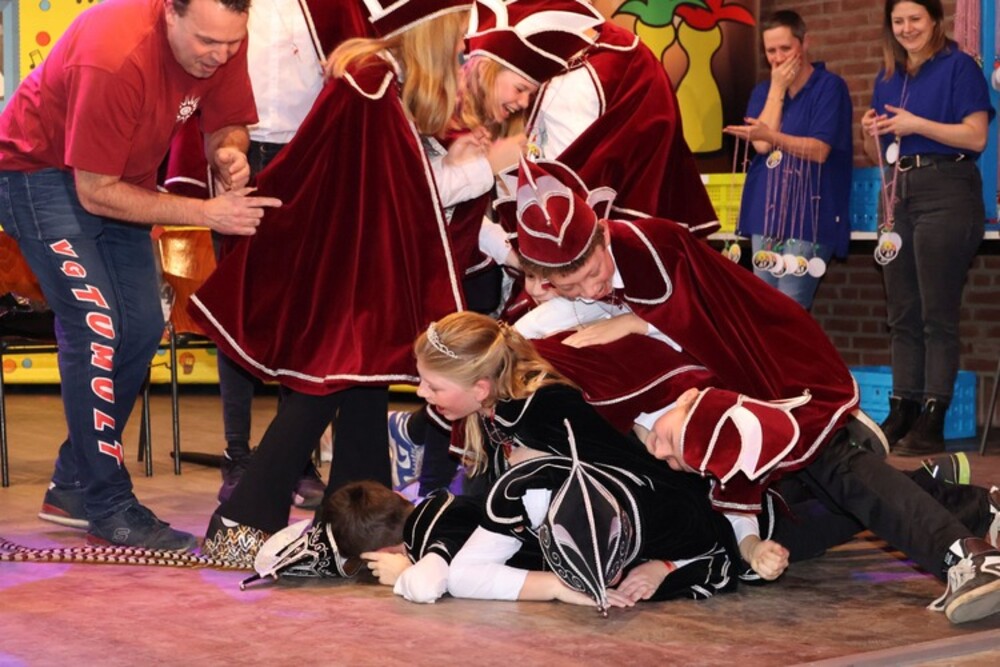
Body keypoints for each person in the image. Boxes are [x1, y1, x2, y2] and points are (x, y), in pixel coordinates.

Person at [507, 157, 1000, 624]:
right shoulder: (581, 282)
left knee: (833, 467)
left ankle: (965, 556)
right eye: (571, 287)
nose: (590, 291)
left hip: (773, 366)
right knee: (819, 485)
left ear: (600, 235)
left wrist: (637, 322)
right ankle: (976, 507)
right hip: (733, 385)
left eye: (592, 275)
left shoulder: (648, 245)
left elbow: (703, 317)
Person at [190, 0, 477, 566]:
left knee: (361, 389)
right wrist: (478, 168)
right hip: (349, 270)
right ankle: (240, 528)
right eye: (457, 35)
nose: (462, 48)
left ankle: (357, 532)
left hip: (351, 264)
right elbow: (405, 192)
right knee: (323, 391)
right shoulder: (371, 85)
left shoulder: (375, 79)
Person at [0, 0, 279, 549]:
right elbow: (94, 193)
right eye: (207, 42)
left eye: (232, 43)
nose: (220, 54)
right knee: (97, 325)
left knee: (144, 326)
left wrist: (227, 153)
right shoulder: (115, 53)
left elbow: (226, 122)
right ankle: (107, 505)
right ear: (169, 12)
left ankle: (73, 484)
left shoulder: (221, 35)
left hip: (122, 180)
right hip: (40, 174)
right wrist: (207, 213)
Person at [413, 312, 740, 607]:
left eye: (434, 387)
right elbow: (493, 501)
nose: (421, 393)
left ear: (481, 388)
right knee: (439, 515)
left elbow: (632, 474)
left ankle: (667, 564)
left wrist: (548, 466)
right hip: (558, 515)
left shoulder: (547, 408)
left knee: (515, 500)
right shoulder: (497, 408)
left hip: (642, 509)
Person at [860, 0, 993, 456]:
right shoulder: (888, 75)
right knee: (901, 313)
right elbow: (877, 152)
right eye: (898, 21)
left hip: (946, 188)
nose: (906, 28)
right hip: (897, 191)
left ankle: (934, 414)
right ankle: (903, 407)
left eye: (915, 19)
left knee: (936, 313)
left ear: (936, 20)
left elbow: (976, 136)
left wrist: (916, 123)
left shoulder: (959, 66)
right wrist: (871, 132)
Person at [724, 10, 852, 310]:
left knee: (789, 305)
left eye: (785, 48)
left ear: (805, 43)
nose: (778, 58)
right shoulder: (764, 91)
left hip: (808, 213)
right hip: (766, 213)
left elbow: (819, 150)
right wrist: (777, 89)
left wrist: (772, 135)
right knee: (763, 305)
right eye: (771, 51)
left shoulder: (829, 86)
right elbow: (761, 146)